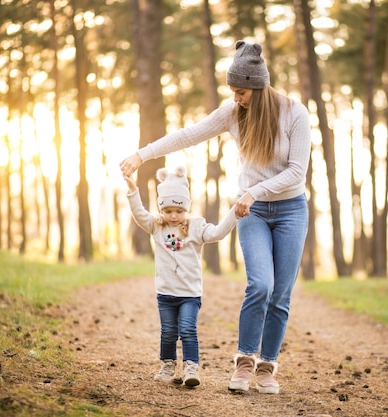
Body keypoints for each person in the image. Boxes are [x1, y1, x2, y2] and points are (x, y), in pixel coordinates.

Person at [120, 40, 311, 394]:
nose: (236, 99)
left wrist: (256, 190)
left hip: (290, 210)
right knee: (260, 285)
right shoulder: (233, 113)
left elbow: (297, 172)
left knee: (280, 294)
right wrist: (141, 154)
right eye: (233, 92)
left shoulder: (294, 113)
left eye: (241, 92)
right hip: (249, 210)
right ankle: (244, 362)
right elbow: (188, 135)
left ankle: (267, 366)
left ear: (258, 86)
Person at [125, 166, 239, 387]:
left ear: (186, 207)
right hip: (165, 293)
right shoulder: (157, 226)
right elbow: (139, 214)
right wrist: (133, 191)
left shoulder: (196, 226)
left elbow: (217, 233)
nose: (173, 216)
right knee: (168, 332)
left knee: (187, 330)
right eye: (167, 211)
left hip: (189, 294)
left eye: (178, 210)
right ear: (161, 210)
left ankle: (190, 368)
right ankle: (167, 365)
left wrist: (235, 212)